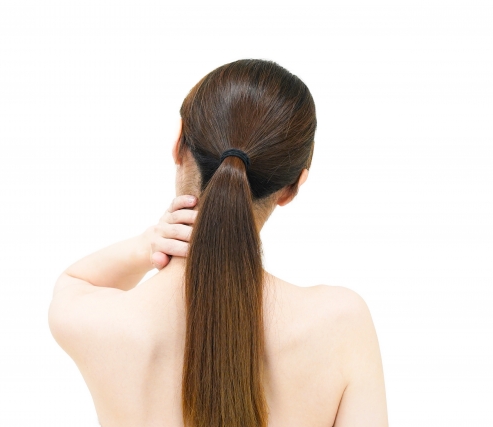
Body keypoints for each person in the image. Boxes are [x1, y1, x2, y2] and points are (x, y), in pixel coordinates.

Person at [48, 59, 388, 427]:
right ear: (293, 186)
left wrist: (147, 246)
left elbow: (75, 281)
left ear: (178, 145)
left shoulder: (99, 323)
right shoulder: (341, 325)